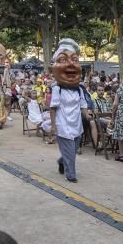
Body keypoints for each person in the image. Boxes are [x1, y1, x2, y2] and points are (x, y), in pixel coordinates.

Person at [49, 39, 85, 183]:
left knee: (72, 150)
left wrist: (88, 115)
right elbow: (53, 108)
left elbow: (83, 106)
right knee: (70, 152)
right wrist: (53, 126)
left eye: (75, 60)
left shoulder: (79, 89)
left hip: (77, 125)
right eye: (63, 59)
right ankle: (71, 175)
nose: (70, 64)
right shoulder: (57, 89)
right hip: (63, 124)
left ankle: (62, 161)